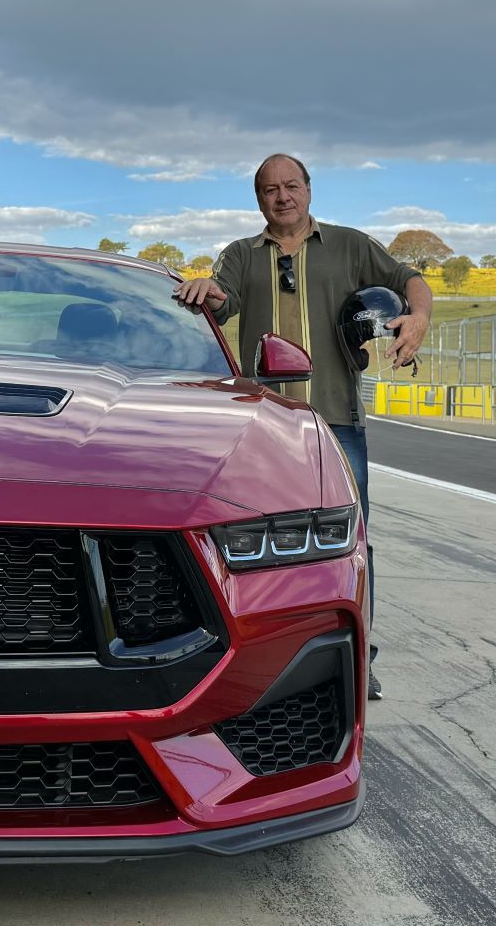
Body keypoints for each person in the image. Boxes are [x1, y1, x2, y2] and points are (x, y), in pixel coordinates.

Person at [173, 154, 432, 699]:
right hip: (260, 425)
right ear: (258, 199)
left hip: (336, 419)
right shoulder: (241, 256)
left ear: (310, 190)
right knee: (259, 544)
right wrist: (205, 290)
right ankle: (270, 657)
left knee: (352, 544)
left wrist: (419, 316)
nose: (282, 196)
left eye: (292, 185)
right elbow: (220, 305)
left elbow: (410, 279)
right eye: (270, 189)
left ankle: (358, 659)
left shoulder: (350, 245)